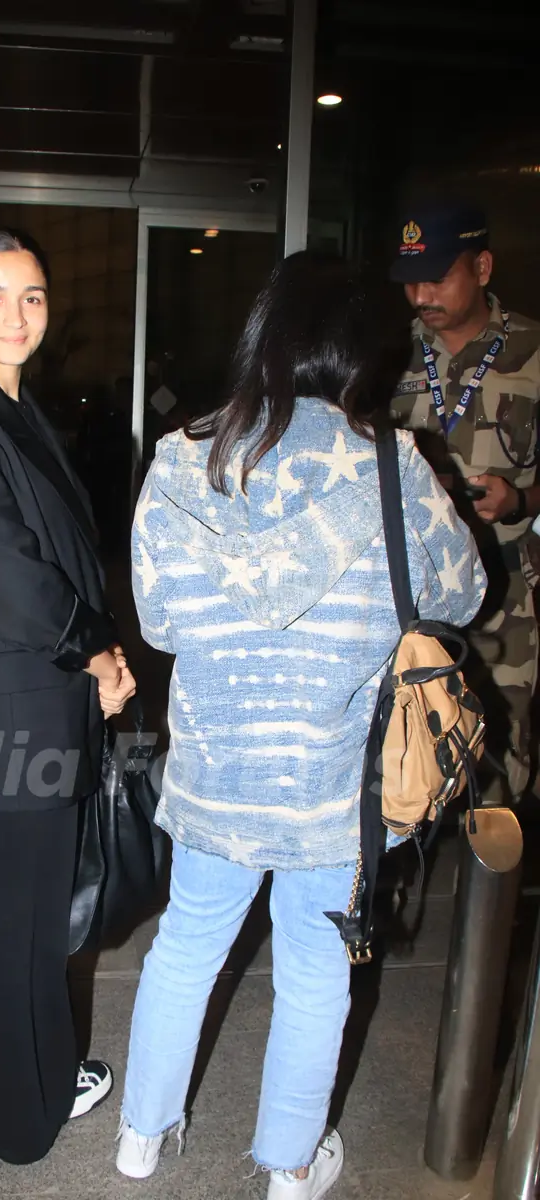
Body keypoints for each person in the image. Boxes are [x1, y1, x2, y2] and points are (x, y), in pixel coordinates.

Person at [118, 253, 485, 1197]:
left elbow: (157, 619)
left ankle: (140, 1137)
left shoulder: (182, 457)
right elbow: (461, 592)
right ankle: (288, 1169)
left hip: (218, 773)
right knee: (318, 972)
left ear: (263, 337)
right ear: (365, 353)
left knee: (188, 945)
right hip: (338, 783)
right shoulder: (393, 469)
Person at [0, 228, 136, 1166]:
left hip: (15, 697)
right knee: (30, 909)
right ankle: (23, 1106)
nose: (16, 315)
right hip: (15, 705)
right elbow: (13, 578)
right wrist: (98, 655)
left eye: (33, 296)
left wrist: (96, 650)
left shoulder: (6, 406)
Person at [389, 204, 540, 805]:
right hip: (414, 598)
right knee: (409, 752)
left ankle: (487, 896)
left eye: (436, 277)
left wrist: (520, 498)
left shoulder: (532, 353)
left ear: (481, 267)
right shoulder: (388, 357)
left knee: (501, 758)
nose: (420, 294)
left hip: (508, 600)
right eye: (410, 279)